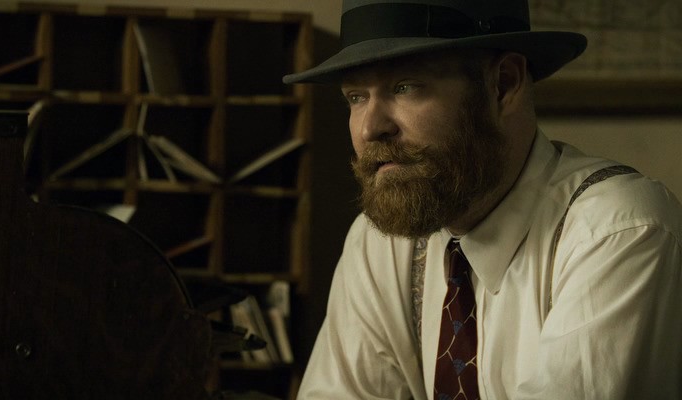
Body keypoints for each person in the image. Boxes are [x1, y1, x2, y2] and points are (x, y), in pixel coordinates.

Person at [283, 0, 682, 399]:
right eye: (356, 97)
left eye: (404, 87)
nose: (370, 128)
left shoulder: (619, 229)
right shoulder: (380, 243)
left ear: (503, 84)